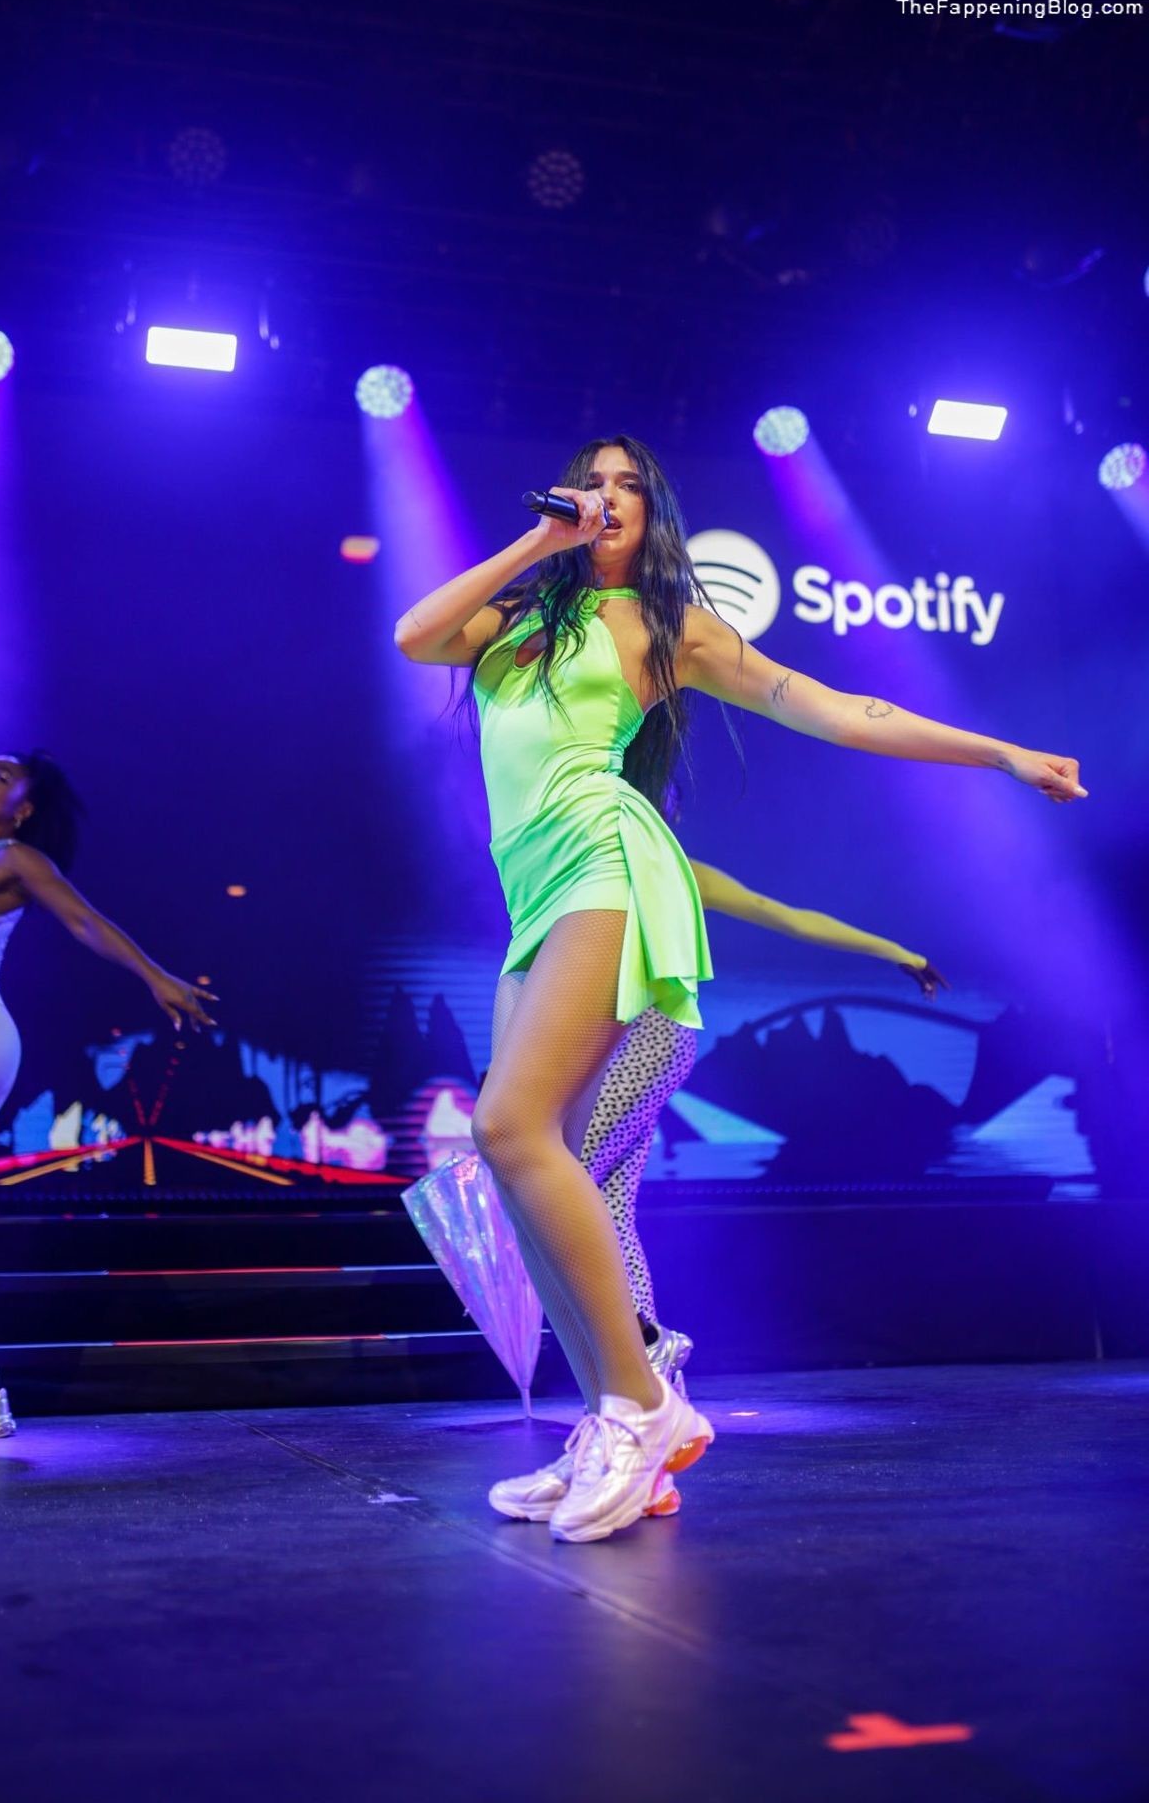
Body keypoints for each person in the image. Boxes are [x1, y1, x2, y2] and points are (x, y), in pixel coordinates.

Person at [396, 434, 1084, 1543]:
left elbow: (839, 708)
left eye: (629, 487)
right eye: (592, 483)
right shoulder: (518, 619)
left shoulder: (668, 628)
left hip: (605, 864)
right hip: (533, 893)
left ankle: (643, 1406)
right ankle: (607, 1418)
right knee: (521, 1169)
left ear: (653, 515)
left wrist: (998, 753)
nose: (606, 499)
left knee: (510, 1129)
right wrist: (537, 542)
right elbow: (414, 633)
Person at [0, 752, 217, 1443]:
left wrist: (153, 975)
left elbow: (83, 921)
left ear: (24, 809)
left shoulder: (15, 857)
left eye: (3, 778)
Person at [551, 856, 949, 1386]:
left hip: (645, 1038)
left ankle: (641, 1341)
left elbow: (787, 917)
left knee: (563, 1187)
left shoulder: (665, 867)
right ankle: (654, 1382)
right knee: (608, 1206)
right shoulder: (606, 863)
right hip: (623, 1039)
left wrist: (900, 952)